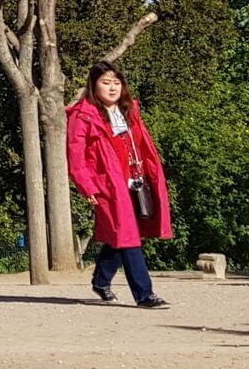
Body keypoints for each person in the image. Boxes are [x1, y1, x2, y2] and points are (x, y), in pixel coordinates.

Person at [67, 60, 172, 308]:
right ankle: (144, 294)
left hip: (135, 182)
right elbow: (76, 155)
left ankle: (101, 281)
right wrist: (87, 186)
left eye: (116, 82)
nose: (113, 88)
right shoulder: (82, 116)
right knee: (128, 236)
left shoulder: (128, 111)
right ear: (94, 85)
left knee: (122, 235)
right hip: (107, 186)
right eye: (106, 82)